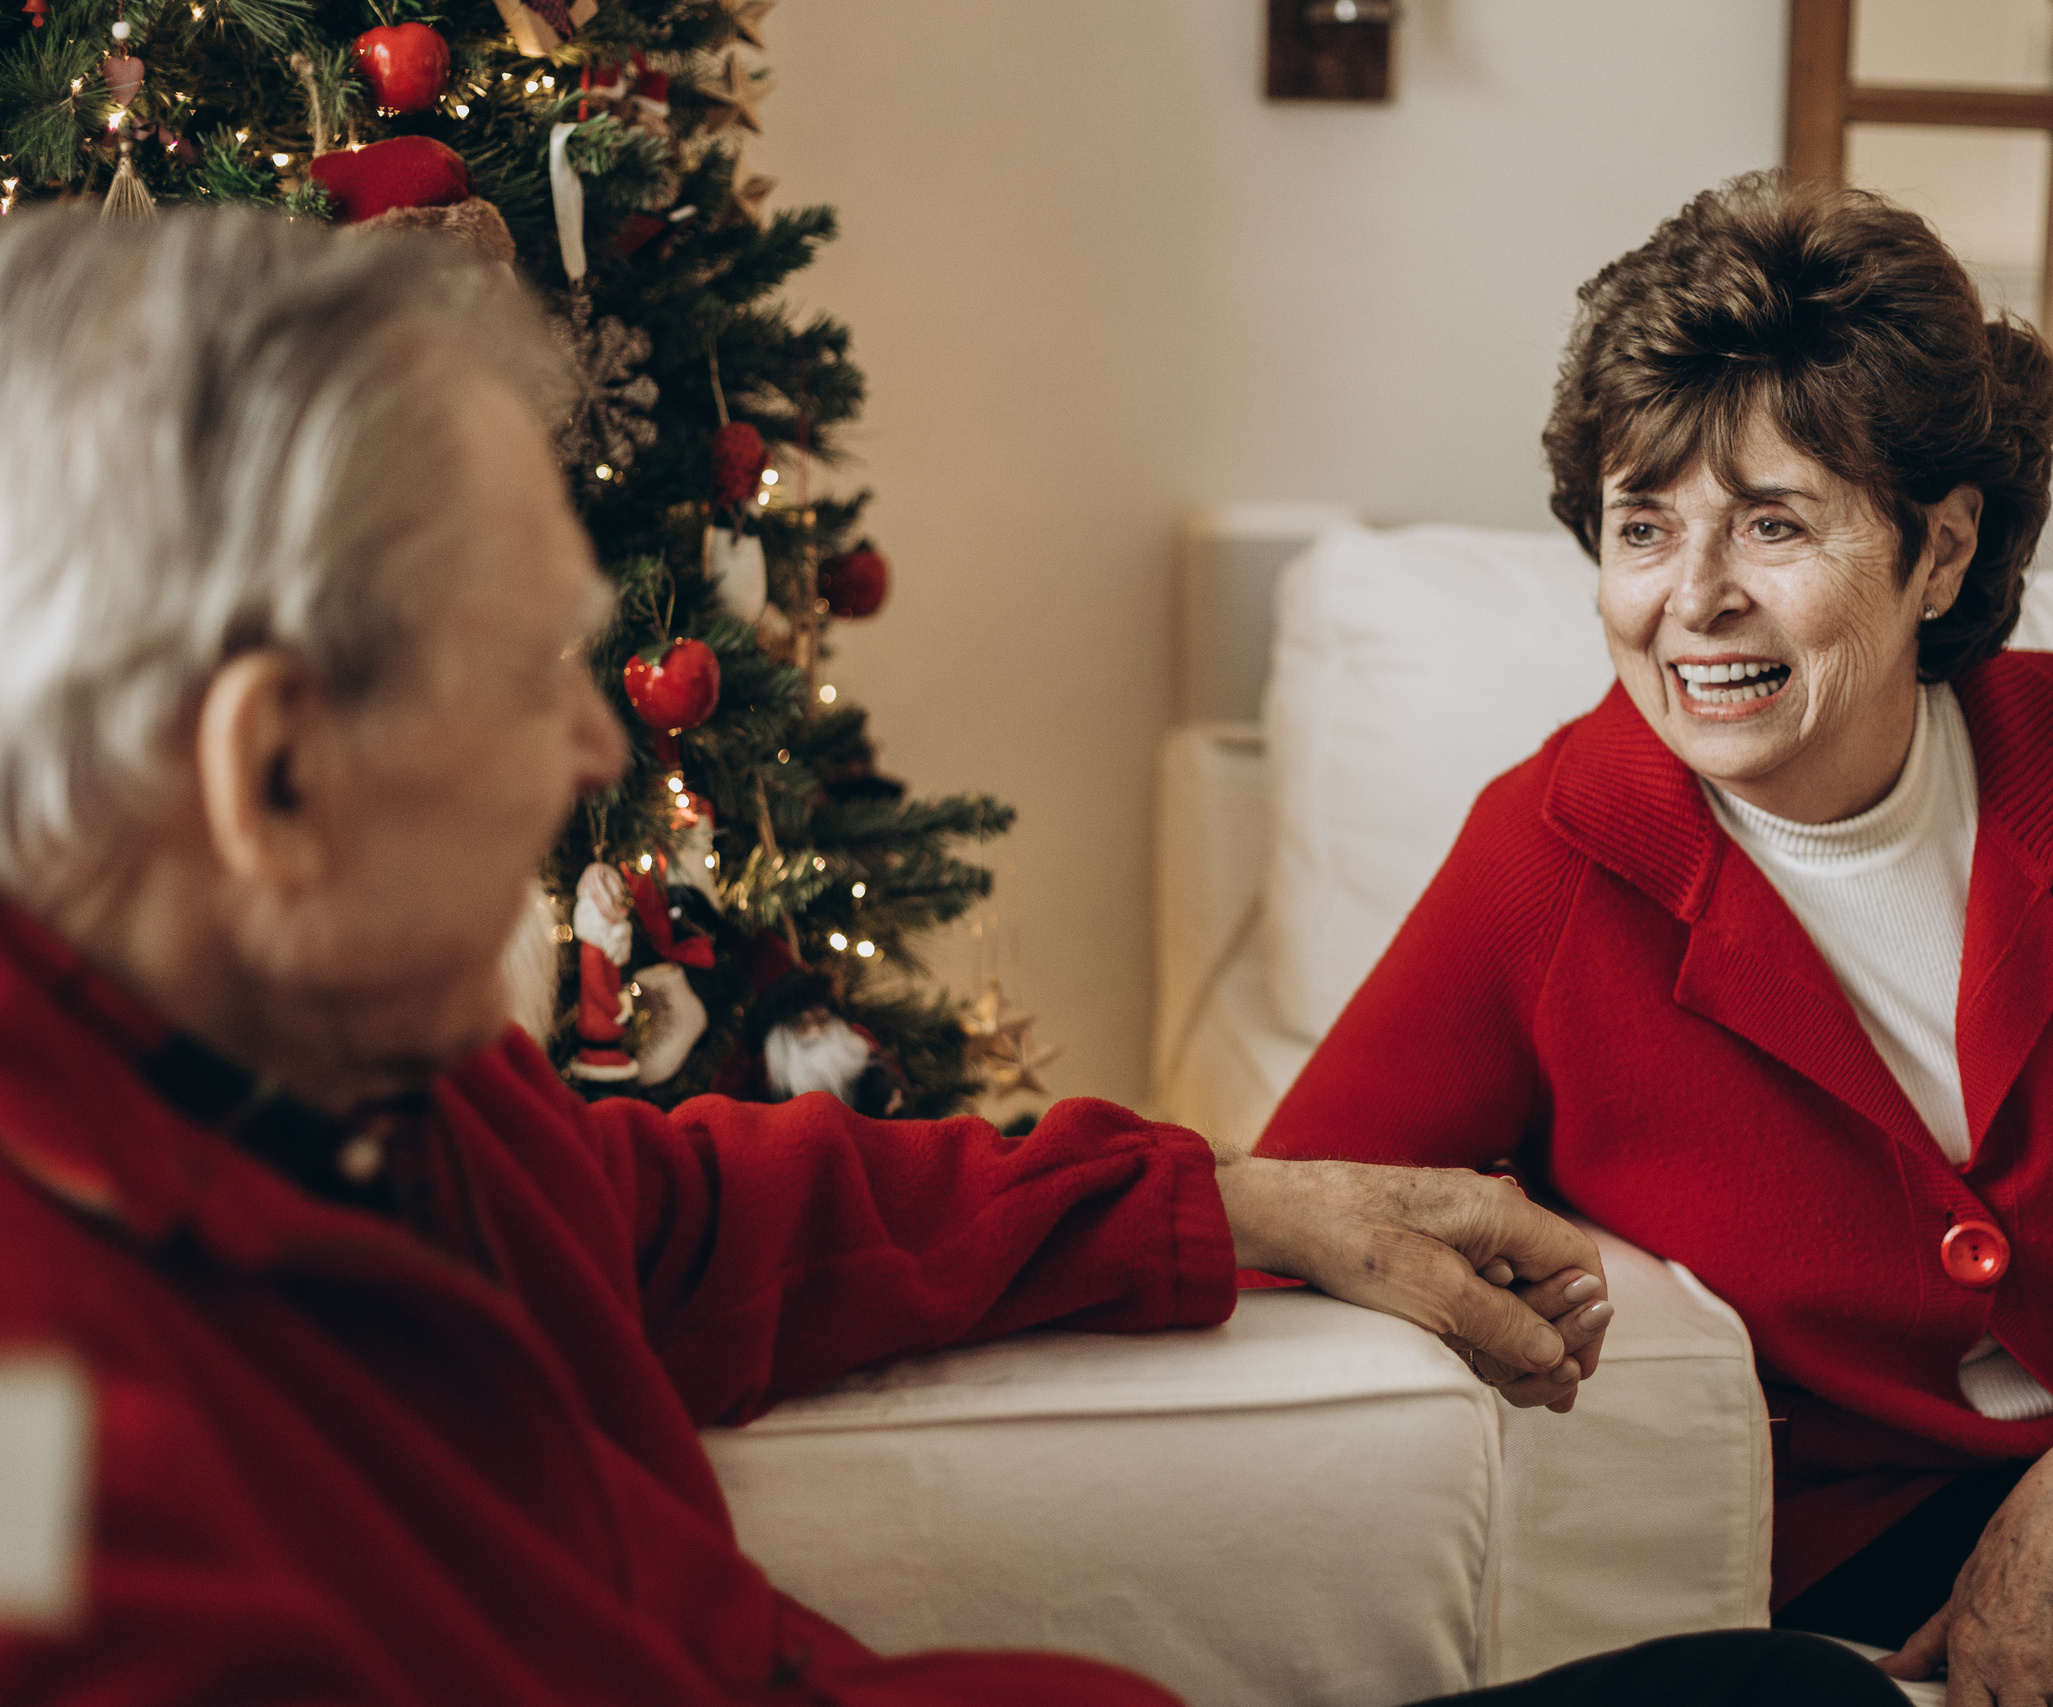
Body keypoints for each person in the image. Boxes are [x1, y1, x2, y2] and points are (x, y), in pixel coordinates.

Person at [0, 207, 1915, 1707]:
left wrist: (1232, 1204)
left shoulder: (344, 1063)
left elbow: (674, 1215)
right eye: (528, 674)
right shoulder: (77, 1468)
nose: (599, 749)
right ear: (268, 773)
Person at [1257, 170, 2053, 1705]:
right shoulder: (1550, 854)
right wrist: (1508, 1279)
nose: (1695, 601)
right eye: (1644, 527)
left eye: (1774, 524)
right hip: (1849, 1550)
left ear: (1939, 553)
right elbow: (1311, 1208)